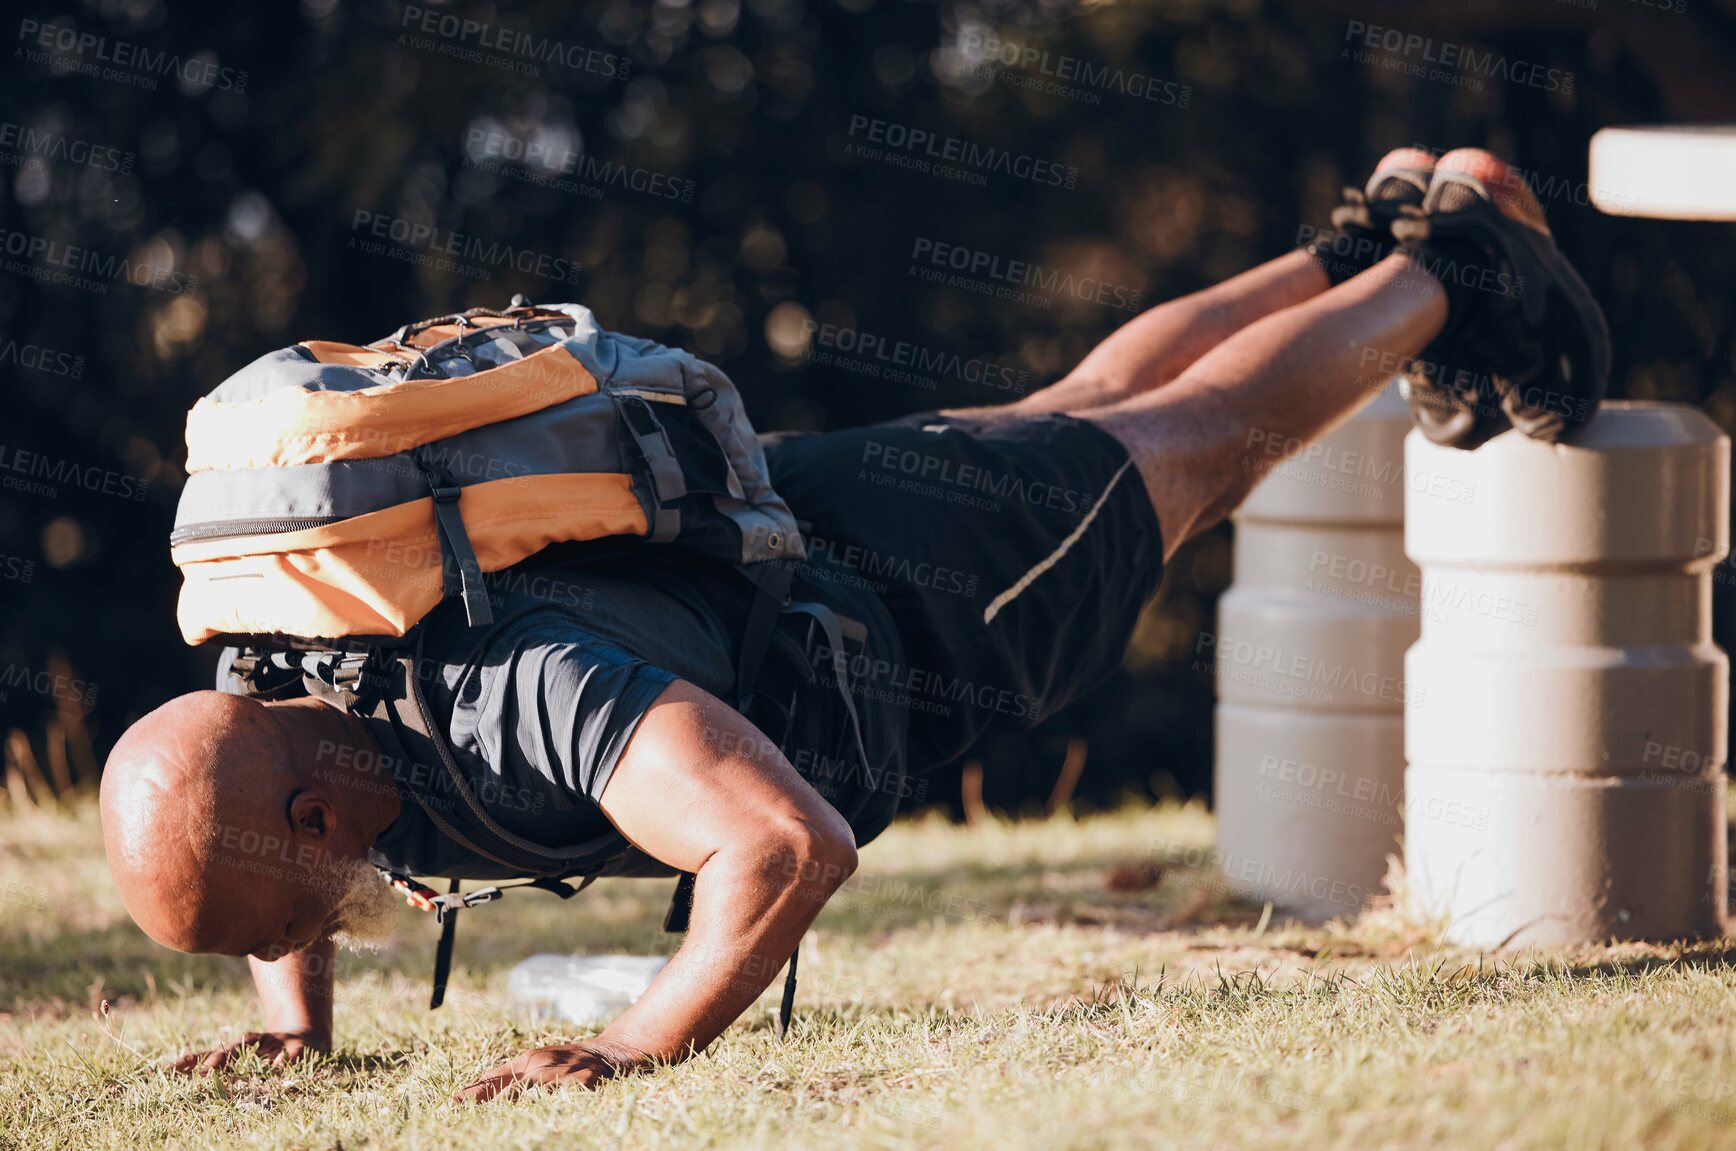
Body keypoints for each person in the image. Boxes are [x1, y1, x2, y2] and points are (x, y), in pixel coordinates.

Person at [99, 148, 1607, 1102]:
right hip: (793, 529)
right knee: (1079, 416)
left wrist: (637, 1048)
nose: (311, 935)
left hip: (920, 599)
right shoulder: (284, 657)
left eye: (297, 921)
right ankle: (1378, 234)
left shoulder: (515, 685)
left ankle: (1456, 271)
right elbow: (248, 816)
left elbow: (783, 844)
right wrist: (298, 1031)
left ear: (312, 803)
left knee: (1193, 452)